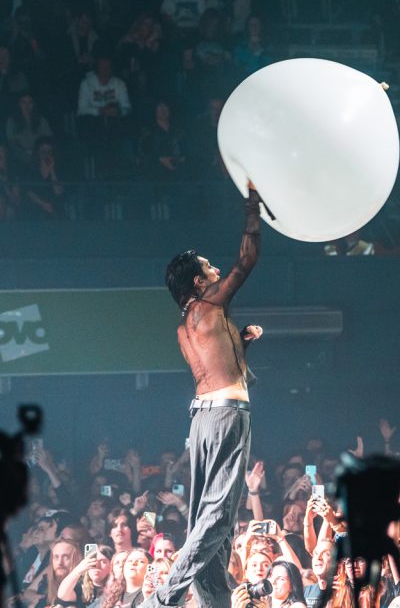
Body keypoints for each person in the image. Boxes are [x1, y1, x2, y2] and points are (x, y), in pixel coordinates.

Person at [146, 184, 264, 608]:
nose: (216, 270)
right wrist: (254, 209)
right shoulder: (208, 306)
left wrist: (243, 342)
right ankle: (164, 599)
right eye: (209, 268)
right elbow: (246, 261)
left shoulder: (185, 328)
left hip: (203, 418)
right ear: (199, 282)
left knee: (209, 518)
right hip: (229, 417)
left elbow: (213, 368)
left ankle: (215, 602)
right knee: (218, 516)